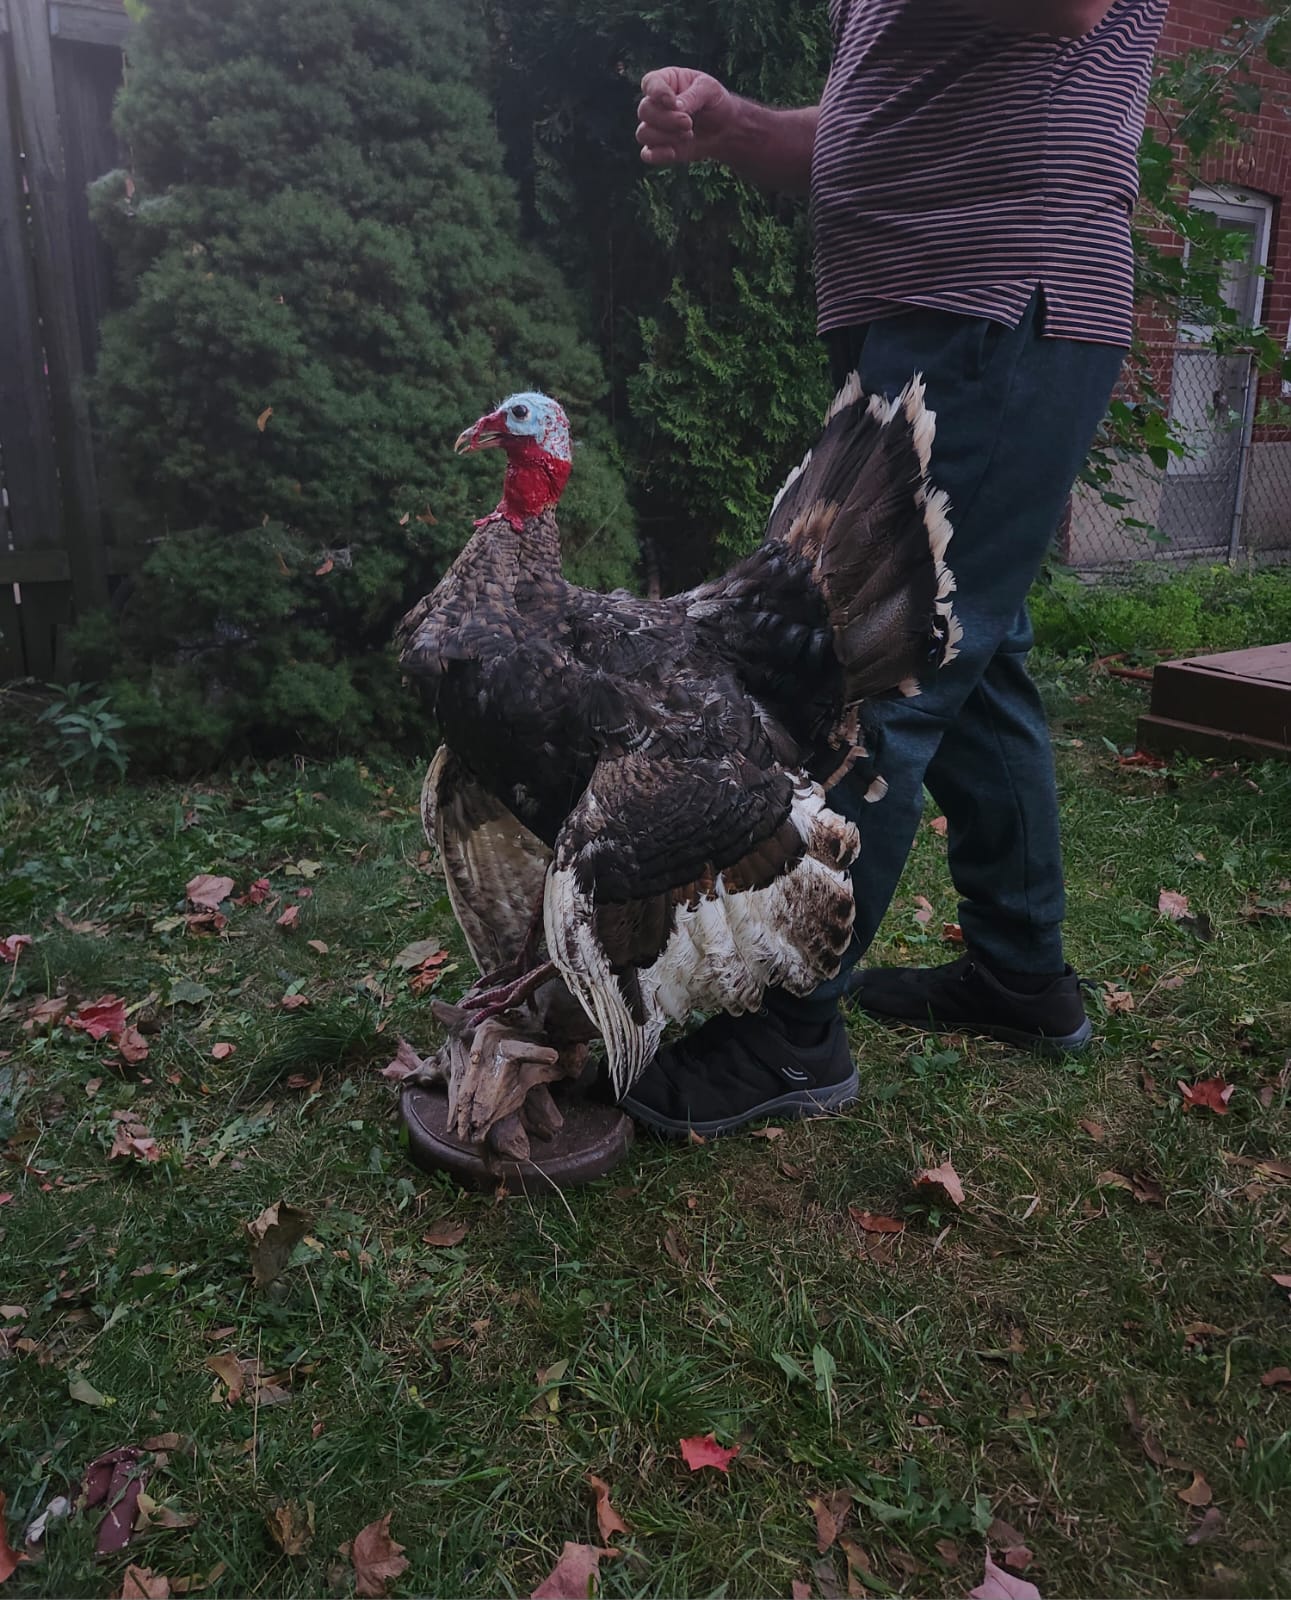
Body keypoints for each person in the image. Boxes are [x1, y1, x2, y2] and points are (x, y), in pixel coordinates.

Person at [620, 0, 1169, 1138]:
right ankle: (1021, 974)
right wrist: (736, 127)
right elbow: (877, 121)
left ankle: (785, 1025)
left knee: (863, 659)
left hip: (996, 295)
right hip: (930, 307)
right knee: (973, 655)